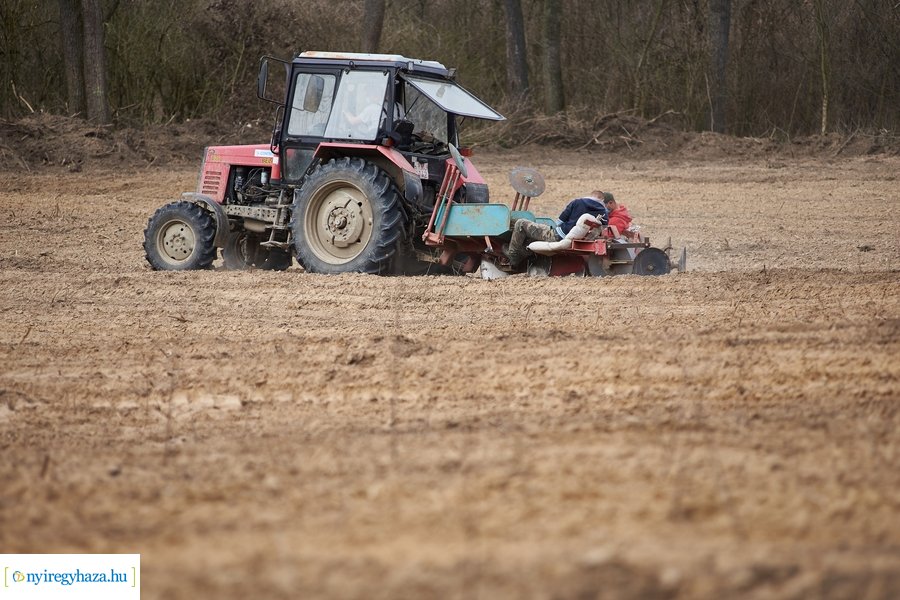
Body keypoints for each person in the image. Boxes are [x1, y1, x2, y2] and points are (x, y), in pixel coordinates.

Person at [505, 190, 611, 268]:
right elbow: (602, 230)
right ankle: (524, 254)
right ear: (602, 200)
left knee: (520, 223)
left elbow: (559, 221)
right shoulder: (604, 213)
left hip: (558, 236)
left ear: (590, 196)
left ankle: (513, 257)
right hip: (578, 239)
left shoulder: (577, 202)